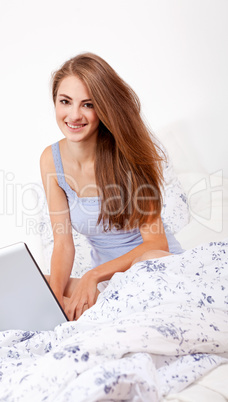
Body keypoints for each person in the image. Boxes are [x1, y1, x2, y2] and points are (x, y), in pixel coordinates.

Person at [40, 53, 184, 321]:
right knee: (39, 286)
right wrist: (55, 302)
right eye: (65, 102)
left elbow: (156, 242)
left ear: (103, 108)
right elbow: (62, 244)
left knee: (148, 259)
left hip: (152, 269)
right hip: (109, 285)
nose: (74, 115)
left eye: (88, 104)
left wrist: (92, 275)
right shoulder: (51, 159)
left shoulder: (130, 153)